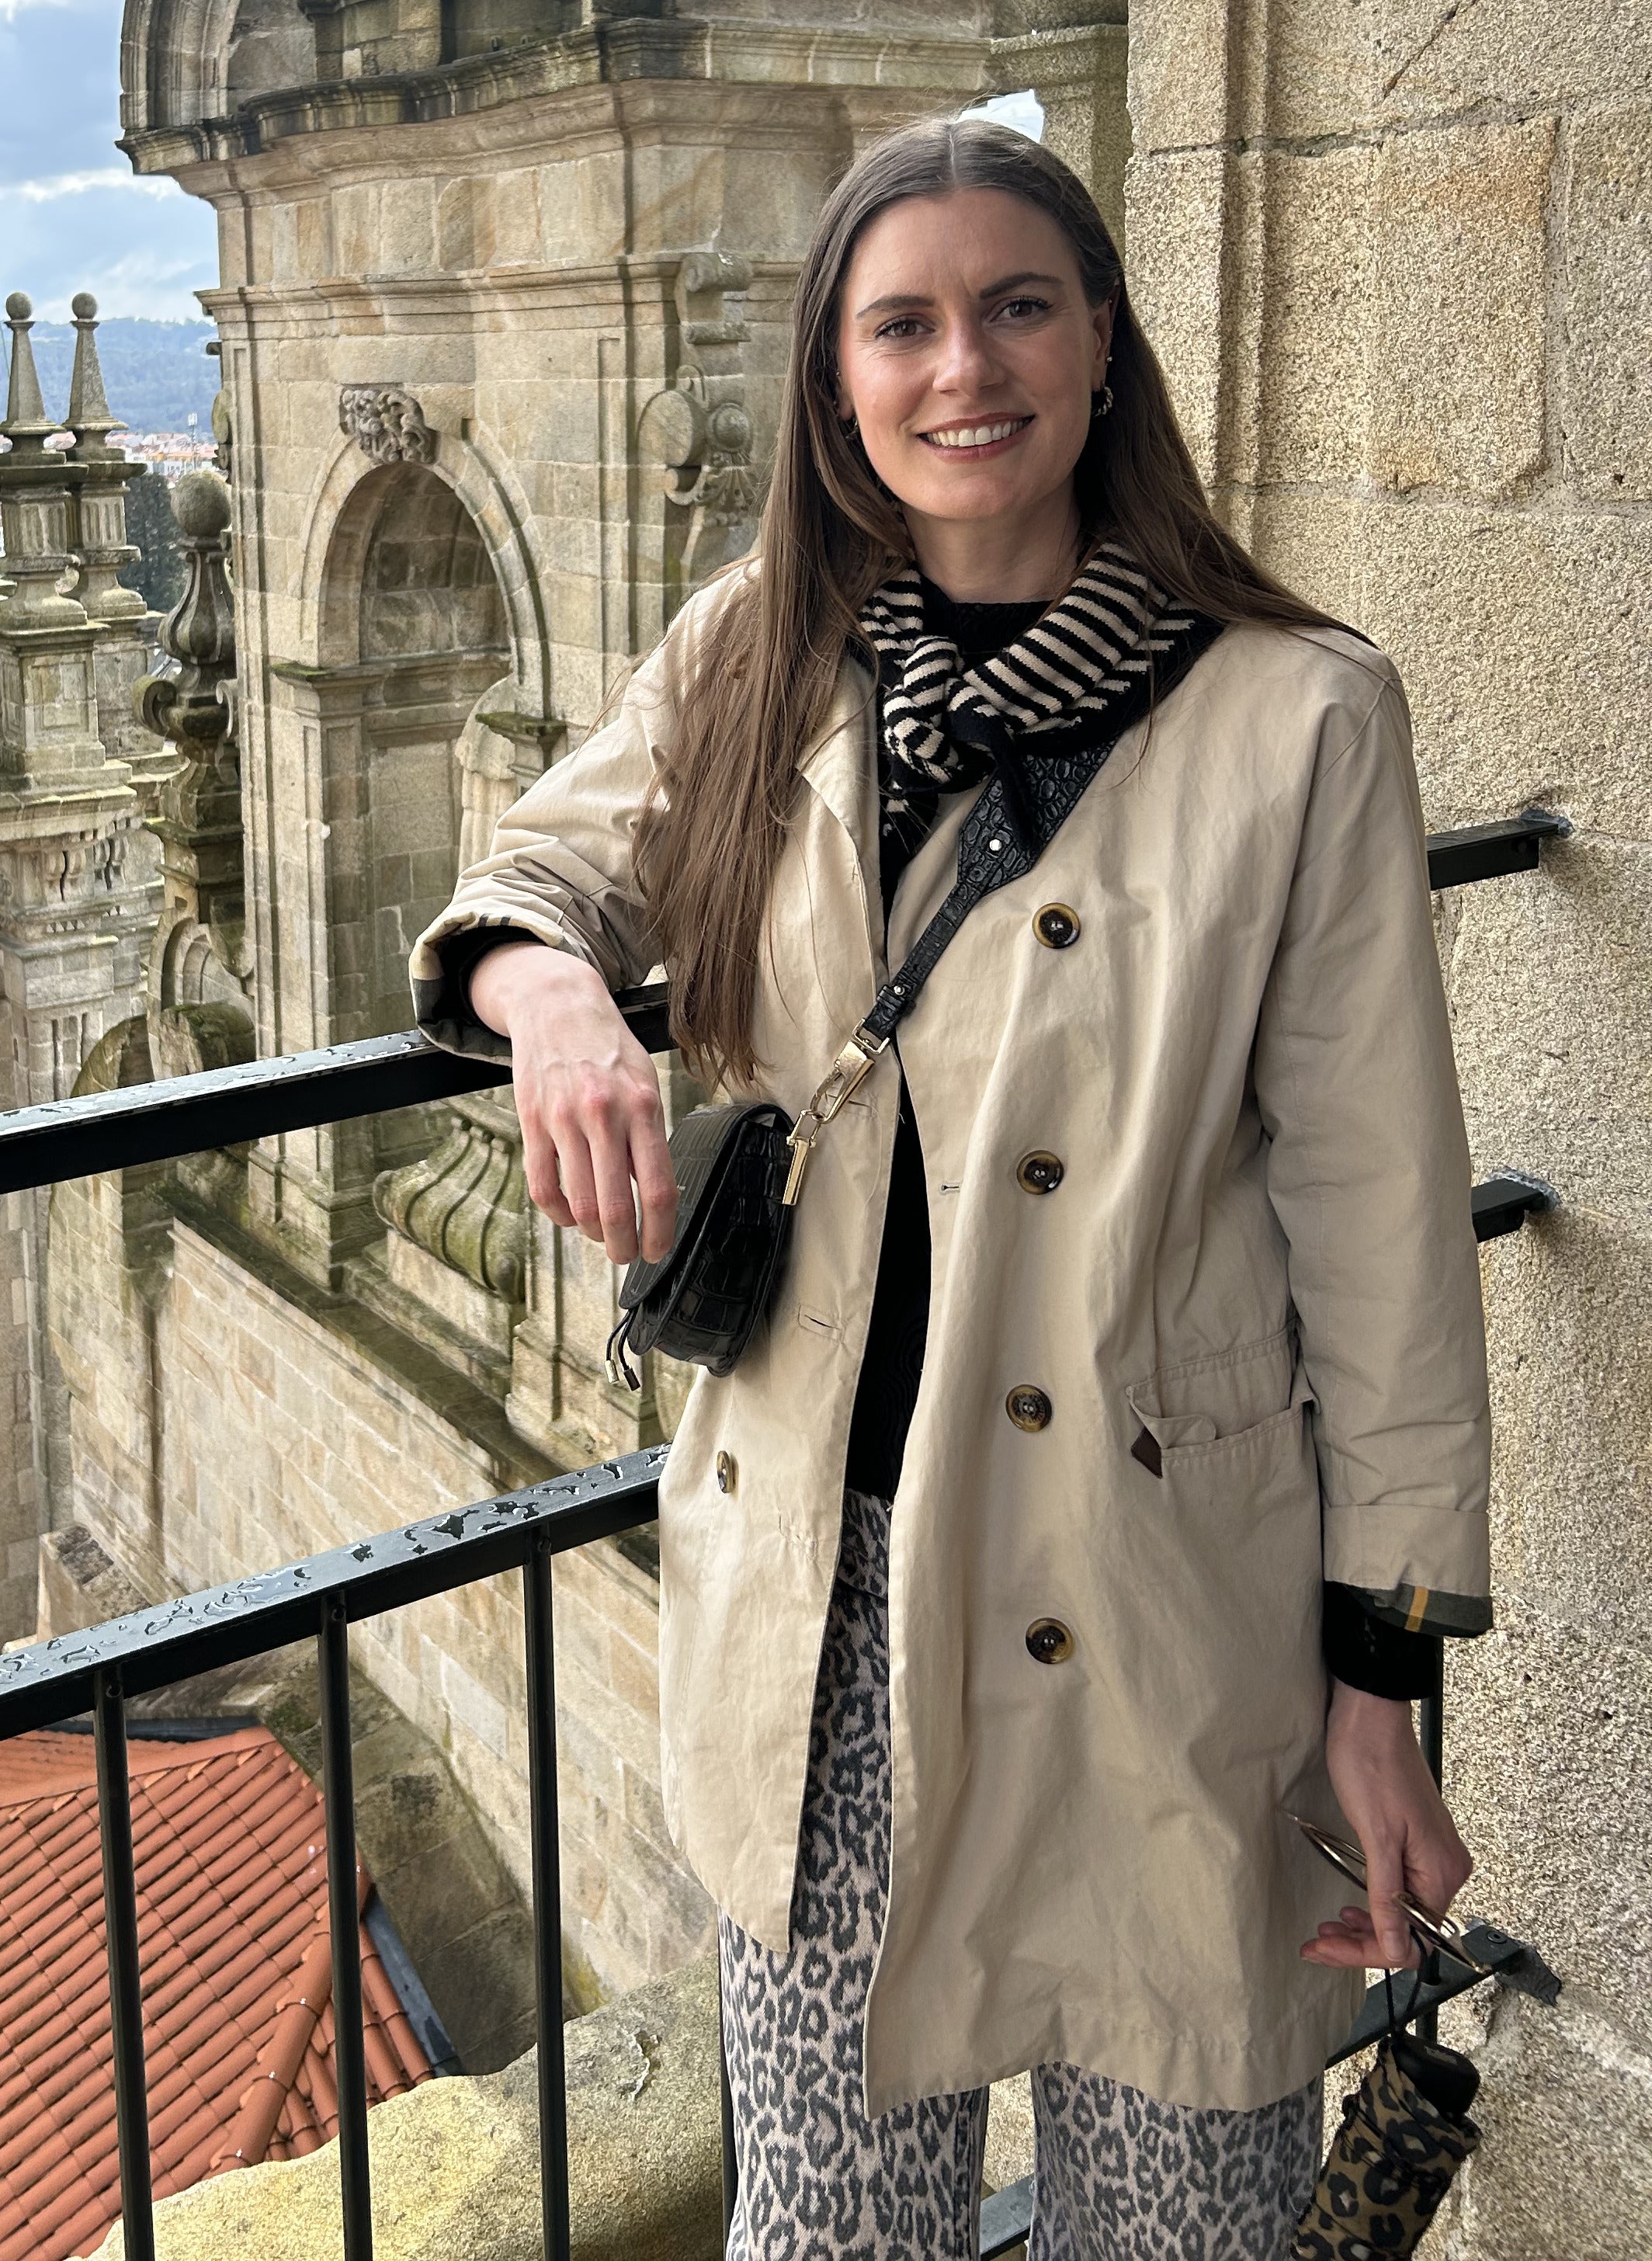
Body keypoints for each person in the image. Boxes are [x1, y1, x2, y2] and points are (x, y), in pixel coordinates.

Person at [409, 118, 1492, 2260]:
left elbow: (1381, 1226)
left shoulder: (1298, 716)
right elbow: (540, 868)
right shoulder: (760, 651)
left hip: (1162, 1600)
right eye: (899, 324)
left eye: (1015, 307)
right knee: (830, 2229)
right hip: (822, 1600)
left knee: (1182, 2224)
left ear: (1102, 343)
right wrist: (553, 1001)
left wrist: (1382, 1690)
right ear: (838, 381)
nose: (961, 367)